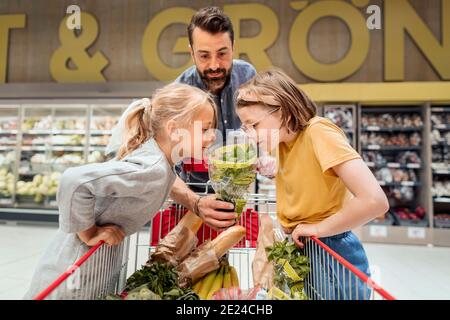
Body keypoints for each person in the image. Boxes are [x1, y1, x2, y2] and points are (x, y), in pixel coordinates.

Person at [24, 83, 217, 299]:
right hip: (73, 273)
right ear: (173, 130)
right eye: (204, 129)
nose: (213, 136)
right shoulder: (153, 167)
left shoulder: (162, 163)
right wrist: (88, 232)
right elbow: (74, 181)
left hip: (91, 265)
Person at [235, 68, 390, 300]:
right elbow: (305, 174)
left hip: (329, 250)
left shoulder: (319, 132)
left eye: (253, 125)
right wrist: (266, 166)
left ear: (282, 111)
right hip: (304, 245)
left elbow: (374, 200)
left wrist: (318, 229)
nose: (250, 134)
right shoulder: (284, 142)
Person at [170, 6, 257, 230]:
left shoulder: (248, 76)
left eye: (222, 53)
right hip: (190, 198)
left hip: (238, 195)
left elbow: (261, 131)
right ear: (191, 53)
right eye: (204, 55)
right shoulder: (179, 93)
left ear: (233, 48)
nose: (215, 65)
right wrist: (196, 203)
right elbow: (163, 169)